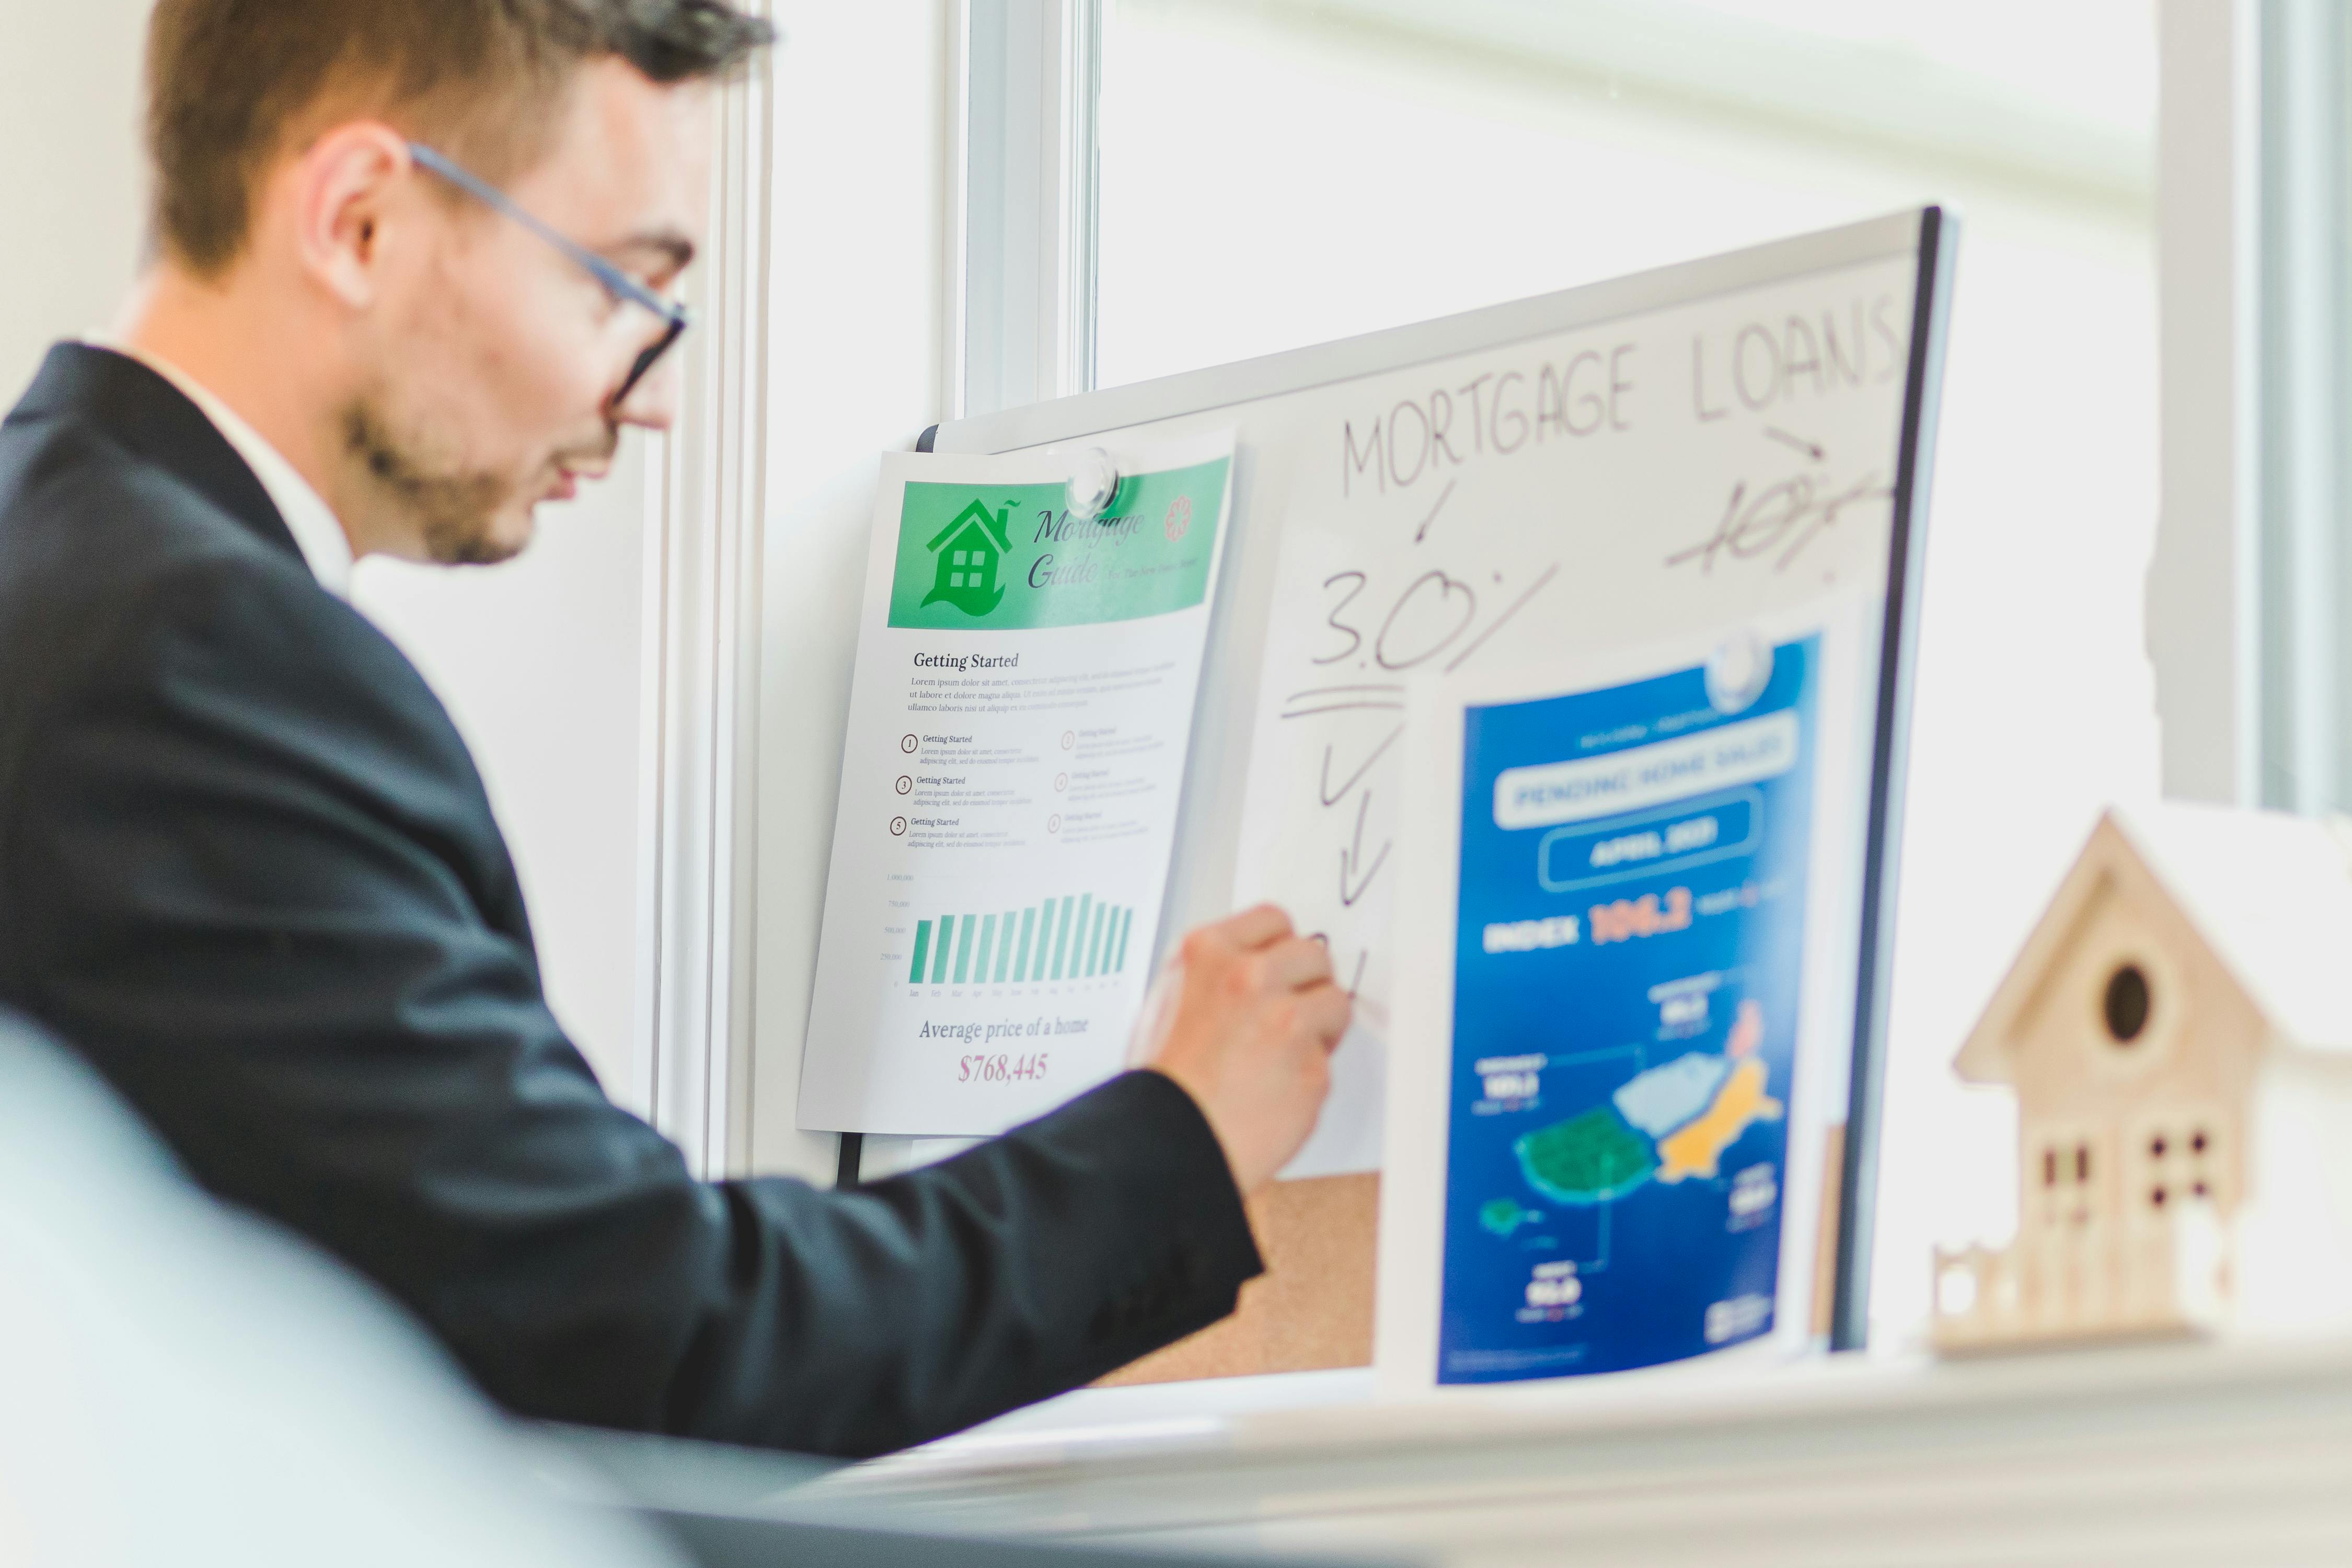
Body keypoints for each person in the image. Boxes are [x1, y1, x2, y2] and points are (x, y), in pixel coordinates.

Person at [0, 0, 1348, 1458]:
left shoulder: (66, 558)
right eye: (617, 289)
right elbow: (638, 1331)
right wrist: (1174, 1143)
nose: (651, 399)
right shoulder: (195, 654)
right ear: (361, 221)